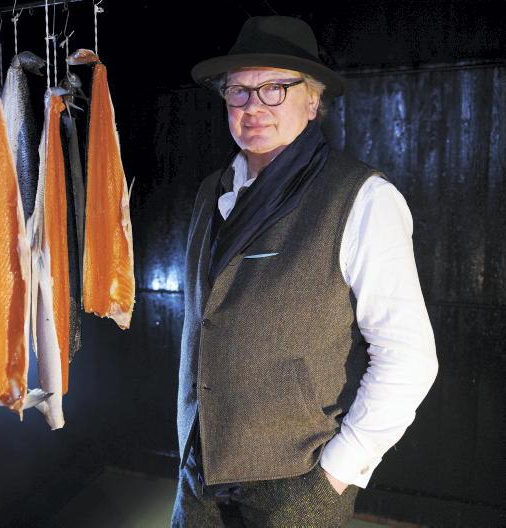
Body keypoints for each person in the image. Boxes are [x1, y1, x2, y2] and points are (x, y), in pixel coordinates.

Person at [172, 15, 438, 527]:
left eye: (275, 88)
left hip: (297, 482)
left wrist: (332, 479)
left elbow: (409, 358)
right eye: (239, 91)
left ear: (312, 101)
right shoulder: (213, 191)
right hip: (198, 471)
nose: (253, 106)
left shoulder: (362, 197)